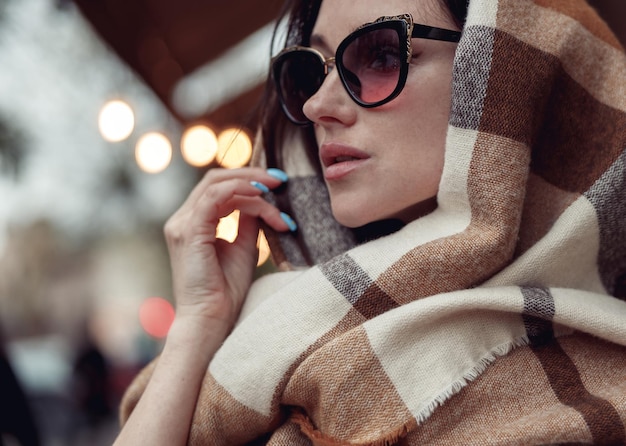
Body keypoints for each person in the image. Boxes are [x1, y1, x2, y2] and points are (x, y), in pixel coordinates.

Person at [115, 0, 626, 443]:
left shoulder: (591, 381)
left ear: (507, 71)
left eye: (381, 55)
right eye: (312, 70)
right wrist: (198, 322)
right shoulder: (272, 325)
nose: (317, 105)